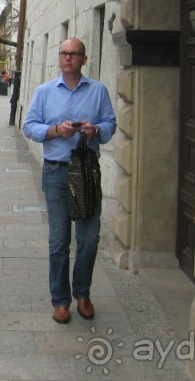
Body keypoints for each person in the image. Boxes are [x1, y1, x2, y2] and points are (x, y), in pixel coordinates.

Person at [22, 38, 117, 325]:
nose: (68, 58)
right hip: (56, 171)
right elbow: (29, 126)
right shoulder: (45, 91)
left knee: (88, 238)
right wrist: (54, 130)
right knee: (59, 240)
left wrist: (95, 129)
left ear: (83, 60)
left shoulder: (98, 90)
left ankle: (83, 293)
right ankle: (61, 301)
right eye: (64, 53)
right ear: (59, 58)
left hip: (86, 170)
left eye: (74, 54)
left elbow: (110, 125)